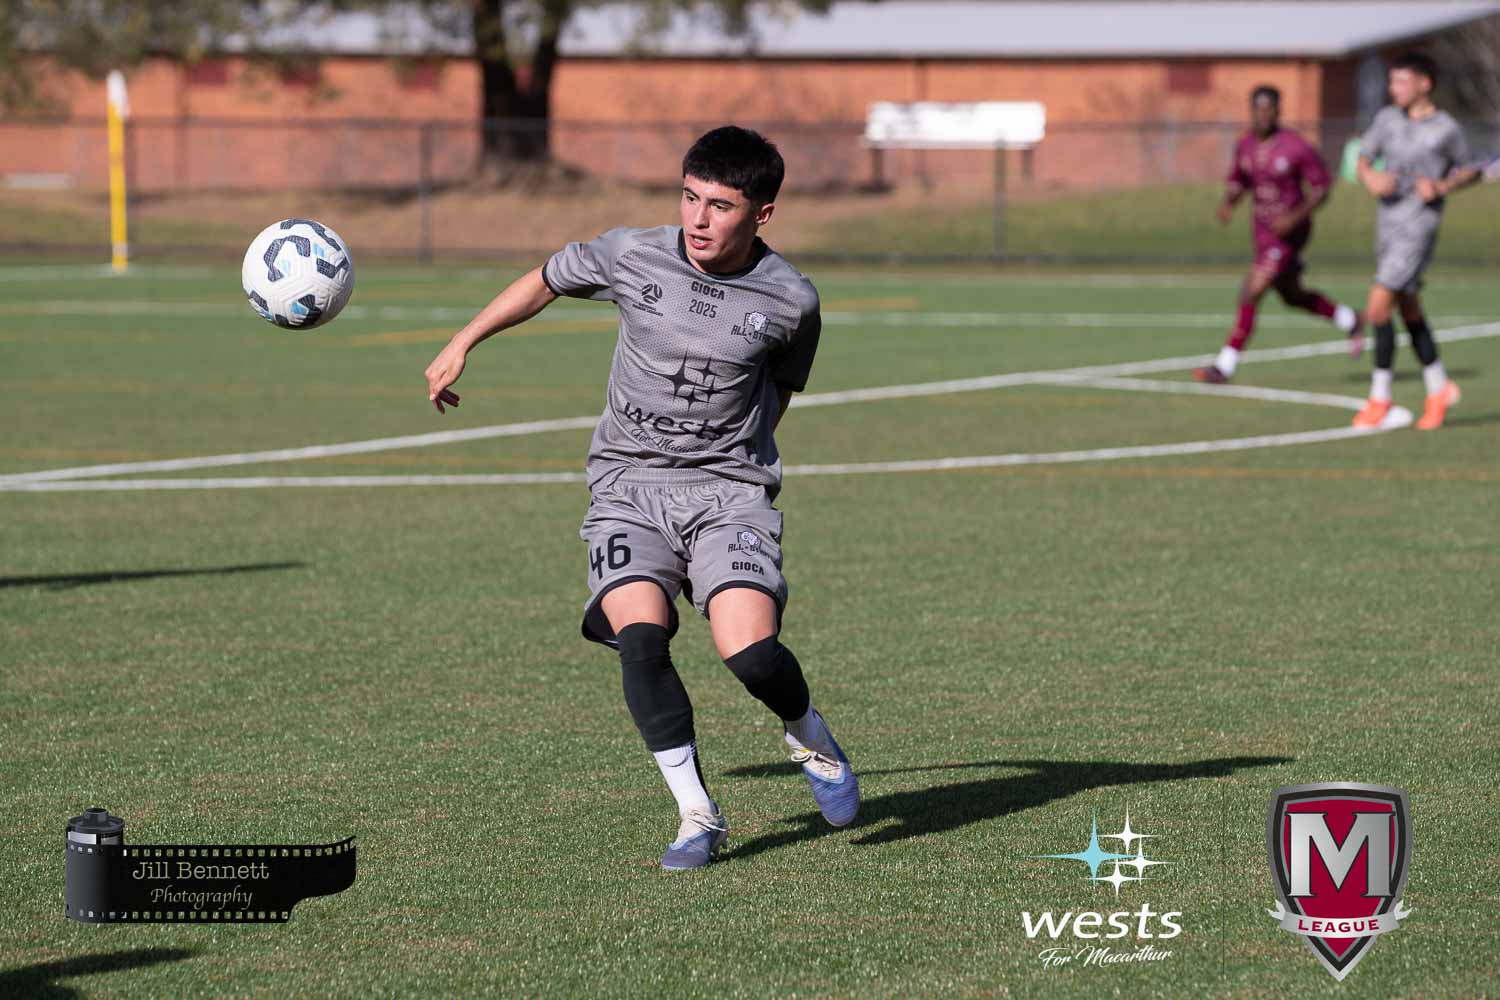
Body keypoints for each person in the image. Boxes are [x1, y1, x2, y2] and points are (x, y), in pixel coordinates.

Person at [422, 126, 858, 870]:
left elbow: (781, 390)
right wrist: (463, 340)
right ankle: (696, 814)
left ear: (762, 213)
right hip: (628, 486)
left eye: (720, 206)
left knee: (753, 656)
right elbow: (547, 278)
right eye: (689, 197)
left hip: (728, 494)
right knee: (642, 637)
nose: (698, 219)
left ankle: (808, 734)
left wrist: (731, 459)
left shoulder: (791, 300)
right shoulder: (632, 253)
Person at [1194, 86, 1362, 384]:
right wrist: (1229, 202)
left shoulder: (1295, 146)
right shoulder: (1245, 145)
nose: (1263, 114)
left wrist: (1294, 217)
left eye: (1268, 108)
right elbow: (1239, 180)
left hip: (1289, 234)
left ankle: (1224, 366)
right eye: (1257, 109)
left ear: (1278, 111)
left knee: (1252, 290)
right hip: (1262, 232)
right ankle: (1350, 319)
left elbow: (1321, 188)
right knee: (1291, 295)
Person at [1352, 52, 1479, 430]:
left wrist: (1442, 186)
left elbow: (1470, 168)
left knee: (1378, 308)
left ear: (1425, 84)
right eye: (1392, 81)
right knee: (1409, 310)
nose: (1394, 89)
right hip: (1387, 225)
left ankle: (1380, 399)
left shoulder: (1445, 128)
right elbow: (1363, 159)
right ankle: (1439, 388)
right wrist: (1371, 178)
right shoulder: (1387, 119)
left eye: (1401, 82)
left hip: (1418, 228)